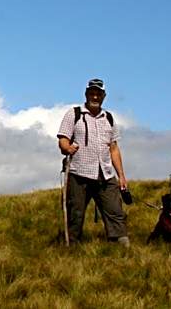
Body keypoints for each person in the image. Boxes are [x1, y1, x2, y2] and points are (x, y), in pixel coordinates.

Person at [57, 78, 130, 246]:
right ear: (86, 94)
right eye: (92, 93)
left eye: (98, 94)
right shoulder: (74, 114)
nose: (95, 97)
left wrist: (121, 176)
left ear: (104, 96)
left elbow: (113, 148)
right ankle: (71, 246)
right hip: (78, 172)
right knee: (75, 213)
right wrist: (67, 148)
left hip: (105, 173)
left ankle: (120, 244)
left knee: (115, 211)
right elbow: (63, 139)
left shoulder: (109, 118)